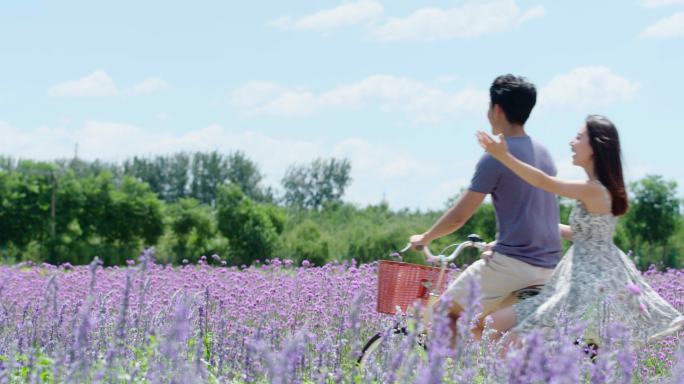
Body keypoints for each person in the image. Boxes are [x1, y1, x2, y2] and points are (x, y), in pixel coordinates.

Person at [476, 115, 684, 344]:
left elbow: (544, 182)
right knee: (489, 325)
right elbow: (582, 234)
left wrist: (504, 156)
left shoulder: (594, 190)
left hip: (583, 288)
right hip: (572, 281)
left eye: (578, 137)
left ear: (595, 146)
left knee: (510, 344)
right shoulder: (597, 190)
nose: (571, 142)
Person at [409, 74, 562, 334]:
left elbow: (460, 216)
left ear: (497, 109)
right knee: (482, 329)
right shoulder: (545, 153)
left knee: (444, 315)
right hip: (548, 267)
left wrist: (425, 237)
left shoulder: (495, 157)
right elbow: (533, 211)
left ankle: (442, 372)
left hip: (513, 265)